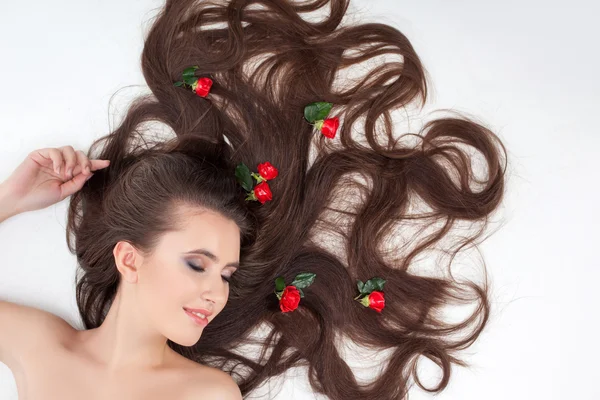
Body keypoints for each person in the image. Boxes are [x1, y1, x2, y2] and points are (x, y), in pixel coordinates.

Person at [0, 0, 508, 398]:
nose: (216, 294)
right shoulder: (41, 344)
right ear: (130, 258)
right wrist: (12, 198)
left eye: (225, 274)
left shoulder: (205, 394)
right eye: (199, 265)